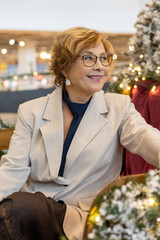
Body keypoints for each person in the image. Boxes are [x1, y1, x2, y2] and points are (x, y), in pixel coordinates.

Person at [0, 26, 160, 240]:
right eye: (88, 58)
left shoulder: (119, 107)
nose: (100, 67)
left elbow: (146, 137)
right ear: (64, 67)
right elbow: (13, 170)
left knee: (18, 208)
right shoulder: (31, 111)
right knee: (18, 207)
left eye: (104, 58)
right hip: (33, 211)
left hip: (85, 213)